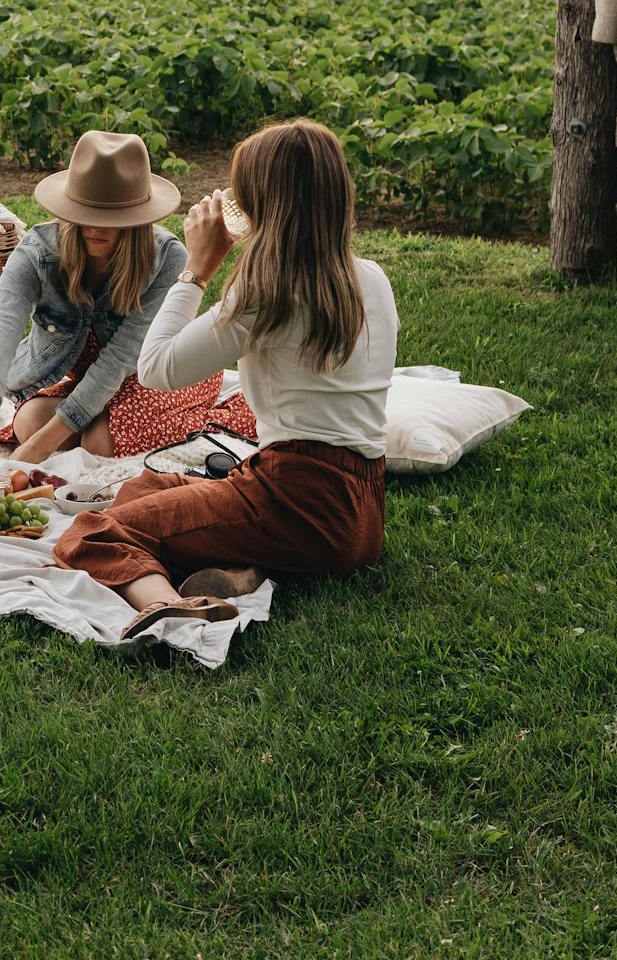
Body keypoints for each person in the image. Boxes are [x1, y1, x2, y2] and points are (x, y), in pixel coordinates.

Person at [53, 118, 397, 640]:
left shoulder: (266, 294)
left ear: (261, 204)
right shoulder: (372, 279)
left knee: (94, 531)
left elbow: (156, 368)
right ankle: (244, 570)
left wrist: (198, 268)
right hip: (363, 509)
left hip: (295, 500)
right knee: (143, 488)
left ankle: (168, 605)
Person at [0, 130, 256, 493]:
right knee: (29, 422)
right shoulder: (37, 253)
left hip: (154, 371)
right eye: (85, 213)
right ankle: (95, 418)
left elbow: (119, 361)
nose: (96, 226)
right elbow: (0, 331)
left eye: (112, 217)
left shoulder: (165, 258)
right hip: (91, 381)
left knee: (98, 442)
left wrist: (37, 450)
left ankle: (207, 416)